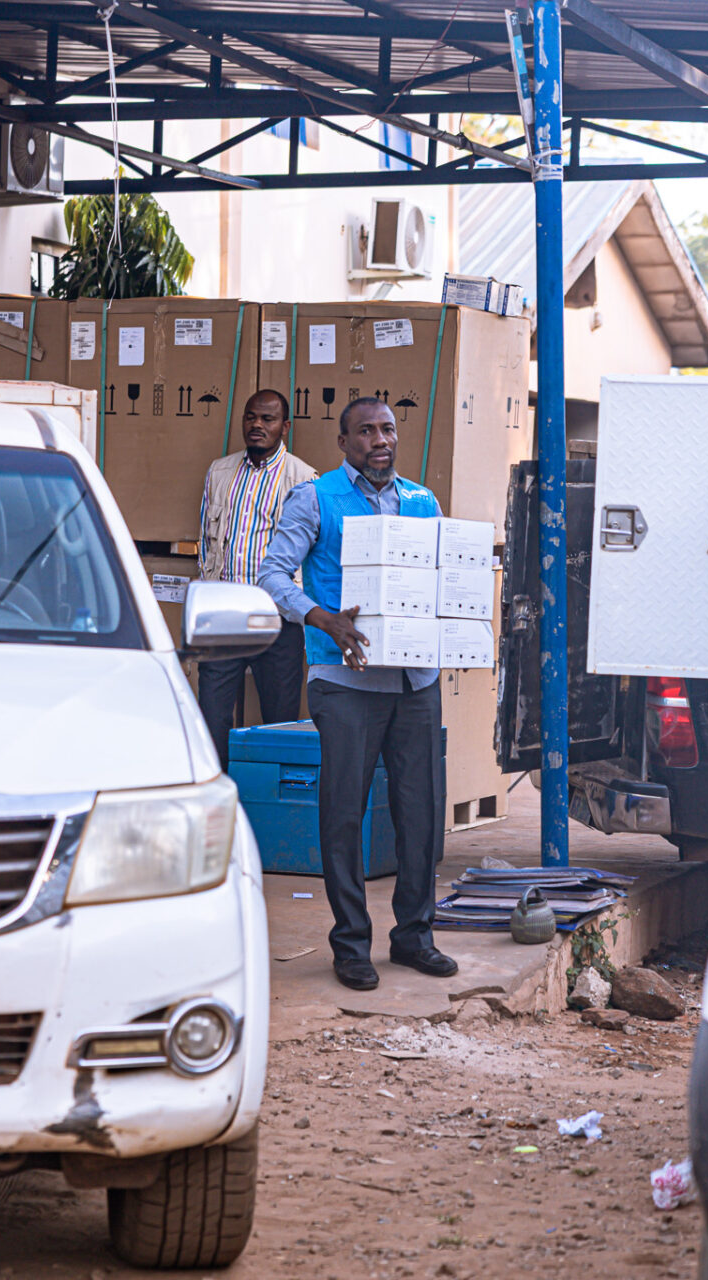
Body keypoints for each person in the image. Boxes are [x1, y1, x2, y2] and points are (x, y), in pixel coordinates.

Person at [258, 397, 456, 992]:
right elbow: (271, 574)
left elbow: (445, 579)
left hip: (414, 681)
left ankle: (414, 936)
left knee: (419, 812)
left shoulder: (424, 503)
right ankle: (350, 944)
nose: (380, 440)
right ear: (343, 442)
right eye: (365, 431)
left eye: (388, 429)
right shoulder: (314, 497)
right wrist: (321, 618)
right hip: (343, 682)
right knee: (344, 813)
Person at [195, 389, 318, 766]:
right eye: (251, 417)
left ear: (285, 427)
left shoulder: (304, 478)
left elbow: (310, 552)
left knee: (278, 720)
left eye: (268, 419)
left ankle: (269, 805)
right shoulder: (220, 470)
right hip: (225, 614)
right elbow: (206, 541)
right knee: (212, 716)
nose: (257, 426)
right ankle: (217, 793)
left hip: (277, 617)